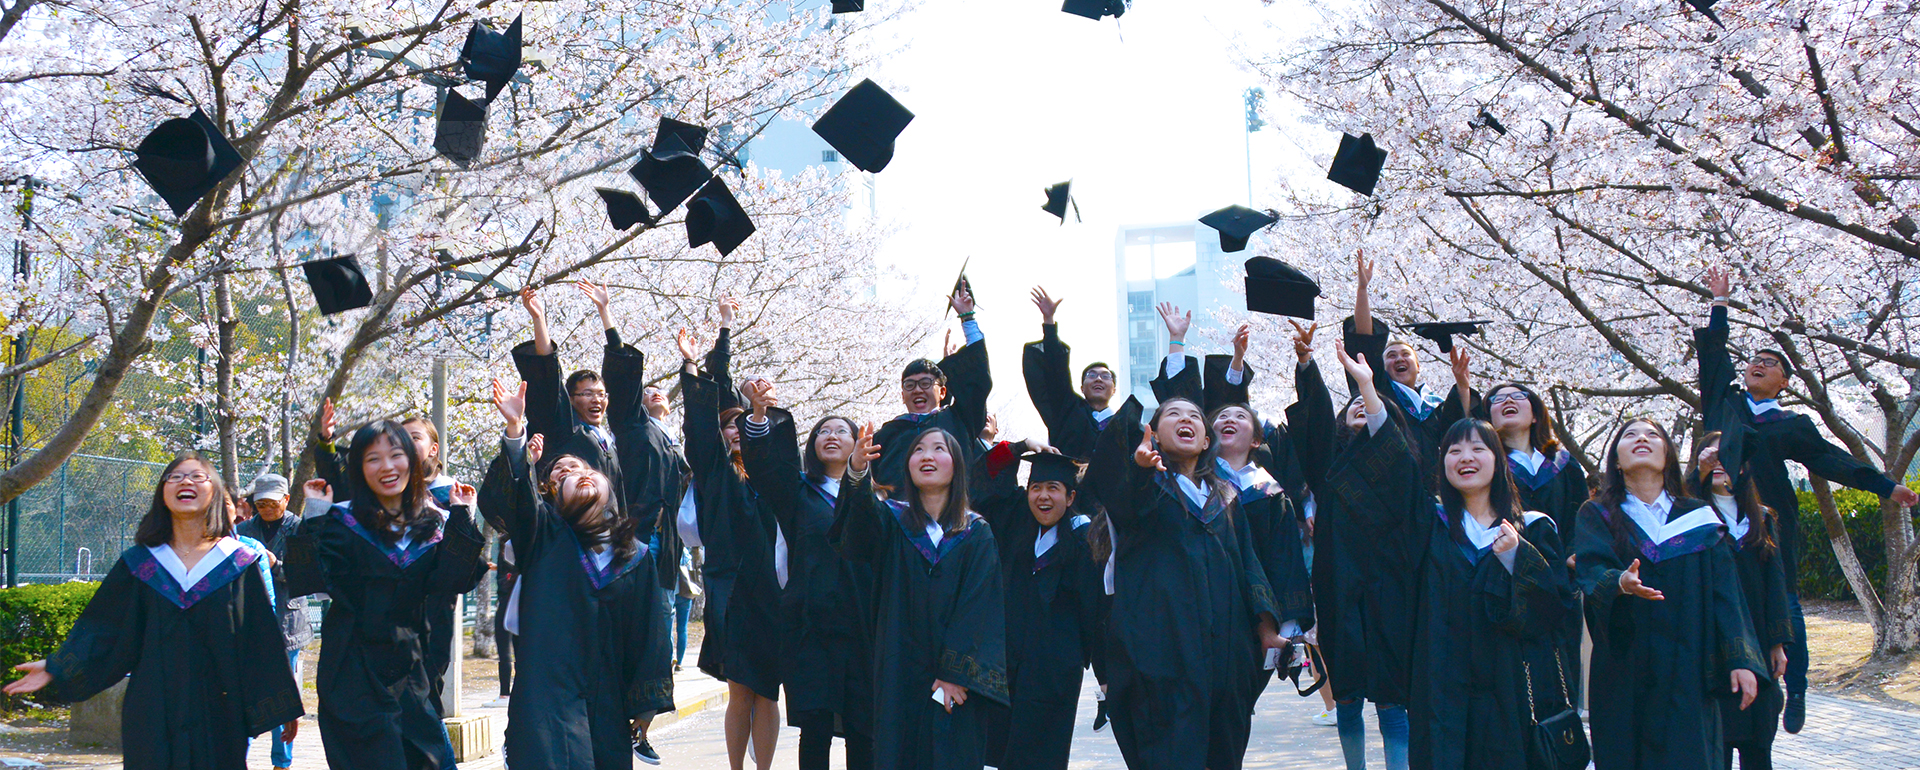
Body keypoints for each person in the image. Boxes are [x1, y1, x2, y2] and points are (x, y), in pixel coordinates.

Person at [1697, 267, 1917, 732]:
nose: (1757, 364)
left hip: (1769, 520)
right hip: (1712, 514)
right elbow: (1713, 354)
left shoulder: (1793, 425)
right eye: (1754, 359)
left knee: (1786, 603)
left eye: (1770, 363)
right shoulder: (1725, 404)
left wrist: (1887, 486)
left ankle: (1795, 688)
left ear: (1784, 382)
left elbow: (1833, 461)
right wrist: (1720, 303)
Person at [4, 454, 304, 770]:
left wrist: (282, 703)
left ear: (215, 492)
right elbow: (104, 628)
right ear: (162, 493)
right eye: (175, 476)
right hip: (152, 710)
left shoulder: (237, 562)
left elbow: (259, 639)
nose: (185, 481)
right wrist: (57, 666)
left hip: (219, 711)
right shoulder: (141, 564)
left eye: (197, 477)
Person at [1088, 390, 1285, 770]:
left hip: (1225, 655)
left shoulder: (1226, 498)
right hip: (1162, 654)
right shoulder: (1144, 490)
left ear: (1207, 440)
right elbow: (1118, 497)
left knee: (1222, 753)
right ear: (1155, 436)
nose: (1186, 420)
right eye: (1173, 414)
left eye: (1194, 416)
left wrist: (1266, 629)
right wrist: (1140, 468)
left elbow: (1248, 565)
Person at [482, 377, 662, 770]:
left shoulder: (635, 556)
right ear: (553, 496)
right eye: (562, 476)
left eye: (587, 471)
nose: (577, 475)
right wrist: (514, 432)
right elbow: (516, 503)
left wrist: (645, 704)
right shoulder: (543, 537)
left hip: (607, 697)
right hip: (547, 697)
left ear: (608, 487)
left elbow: (647, 632)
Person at [285, 421, 486, 770]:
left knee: (424, 758)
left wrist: (462, 516)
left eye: (396, 455)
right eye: (373, 458)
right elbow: (309, 580)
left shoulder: (433, 524)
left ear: (412, 459)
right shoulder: (342, 522)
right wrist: (315, 514)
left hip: (412, 671)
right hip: (352, 670)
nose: (387, 467)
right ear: (359, 469)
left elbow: (454, 580)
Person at [1573, 417, 1765, 770]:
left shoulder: (1699, 518)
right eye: (1630, 435)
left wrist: (1742, 659)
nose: (1641, 439)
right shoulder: (1597, 513)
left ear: (1668, 457)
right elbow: (1590, 566)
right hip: (1624, 666)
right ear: (1617, 460)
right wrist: (1618, 582)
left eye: (1652, 435)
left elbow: (1727, 593)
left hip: (1688, 666)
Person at [833, 424, 1008, 769]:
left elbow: (978, 608)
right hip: (899, 670)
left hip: (955, 684)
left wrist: (955, 674)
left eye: (939, 449)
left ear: (957, 465)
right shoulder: (891, 520)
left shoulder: (976, 533)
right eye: (918, 450)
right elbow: (856, 535)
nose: (927, 456)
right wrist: (856, 471)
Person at [1407, 416, 1575, 770]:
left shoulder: (1533, 529)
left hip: (1512, 689)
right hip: (1442, 688)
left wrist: (1517, 557)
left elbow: (1555, 609)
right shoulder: (1428, 527)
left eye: (1478, 448)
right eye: (1454, 450)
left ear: (1499, 461)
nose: (1466, 457)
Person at [1286, 324, 1417, 770]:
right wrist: (1307, 365)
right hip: (1339, 586)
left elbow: (1389, 444)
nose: (1361, 405)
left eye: (1371, 405)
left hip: (1390, 586)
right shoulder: (1328, 464)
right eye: (1354, 405)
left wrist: (1367, 386)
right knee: (1347, 694)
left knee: (1392, 697)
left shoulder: (1400, 462)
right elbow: (1317, 417)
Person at [740, 399, 878, 770]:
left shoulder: (877, 495)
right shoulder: (797, 492)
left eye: (841, 431)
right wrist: (758, 418)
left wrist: (859, 475)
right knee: (815, 727)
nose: (831, 436)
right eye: (823, 431)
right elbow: (764, 467)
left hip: (863, 624)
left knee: (863, 728)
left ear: (859, 444)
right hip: (811, 626)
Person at [679, 311, 784, 770]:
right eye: (730, 426)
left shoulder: (778, 474)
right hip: (730, 586)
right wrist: (692, 368)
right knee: (741, 688)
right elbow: (700, 427)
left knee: (768, 690)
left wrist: (760, 410)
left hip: (773, 589)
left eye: (747, 425)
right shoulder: (718, 473)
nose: (737, 430)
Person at [597, 282, 691, 764]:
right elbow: (623, 382)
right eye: (646, 389)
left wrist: (690, 365)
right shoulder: (633, 426)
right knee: (631, 631)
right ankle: (619, 719)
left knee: (658, 638)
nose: (654, 391)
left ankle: (642, 724)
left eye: (661, 390)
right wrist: (609, 321)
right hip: (632, 539)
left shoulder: (671, 442)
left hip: (664, 546)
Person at [975, 449, 1103, 770]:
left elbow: (1096, 613)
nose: (1043, 496)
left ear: (1071, 497)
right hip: (1005, 669)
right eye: (1036, 488)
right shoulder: (1013, 529)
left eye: (1053, 488)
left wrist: (1104, 673)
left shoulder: (1084, 542)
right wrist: (1016, 448)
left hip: (1054, 676)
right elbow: (983, 484)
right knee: (996, 755)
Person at [1687, 432, 1793, 770]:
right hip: (1710, 639)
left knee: (1758, 739)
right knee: (1715, 743)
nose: (1719, 463)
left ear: (1743, 466)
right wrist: (1698, 476)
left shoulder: (1761, 518)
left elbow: (1775, 583)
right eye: (1711, 456)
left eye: (1728, 456)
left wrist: (1777, 643)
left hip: (1757, 637)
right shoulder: (1690, 516)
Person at [1342, 251, 1471, 478]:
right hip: (1391, 480)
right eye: (1391, 356)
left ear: (1418, 366)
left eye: (1406, 354)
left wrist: (1462, 383)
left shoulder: (1433, 405)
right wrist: (1362, 290)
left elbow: (1457, 430)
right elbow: (1365, 342)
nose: (1399, 359)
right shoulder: (1380, 392)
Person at [871, 283, 993, 490]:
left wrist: (967, 318)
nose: (918, 390)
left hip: (951, 509)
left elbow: (977, 381)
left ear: (942, 391)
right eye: (910, 385)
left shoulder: (959, 421)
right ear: (902, 395)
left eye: (926, 383)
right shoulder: (887, 435)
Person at [234, 473, 312, 770]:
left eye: (272, 503)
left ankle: (282, 762)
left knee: (282, 696)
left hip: (288, 623)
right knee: (245, 693)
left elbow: (306, 576)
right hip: (250, 623)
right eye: (260, 504)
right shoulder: (242, 530)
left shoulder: (299, 529)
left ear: (286, 500)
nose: (266, 509)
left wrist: (275, 564)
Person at [1021, 287, 1127, 460]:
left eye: (1105, 376)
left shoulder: (1125, 425)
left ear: (1114, 389)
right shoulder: (1067, 411)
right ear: (1082, 388)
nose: (1098, 379)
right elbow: (1056, 373)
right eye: (1091, 375)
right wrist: (1049, 322)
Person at [487, 539, 517, 709]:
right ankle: (516, 692)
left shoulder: (507, 543)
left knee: (504, 649)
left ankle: (505, 693)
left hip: (507, 602)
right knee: (518, 651)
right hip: (520, 602)